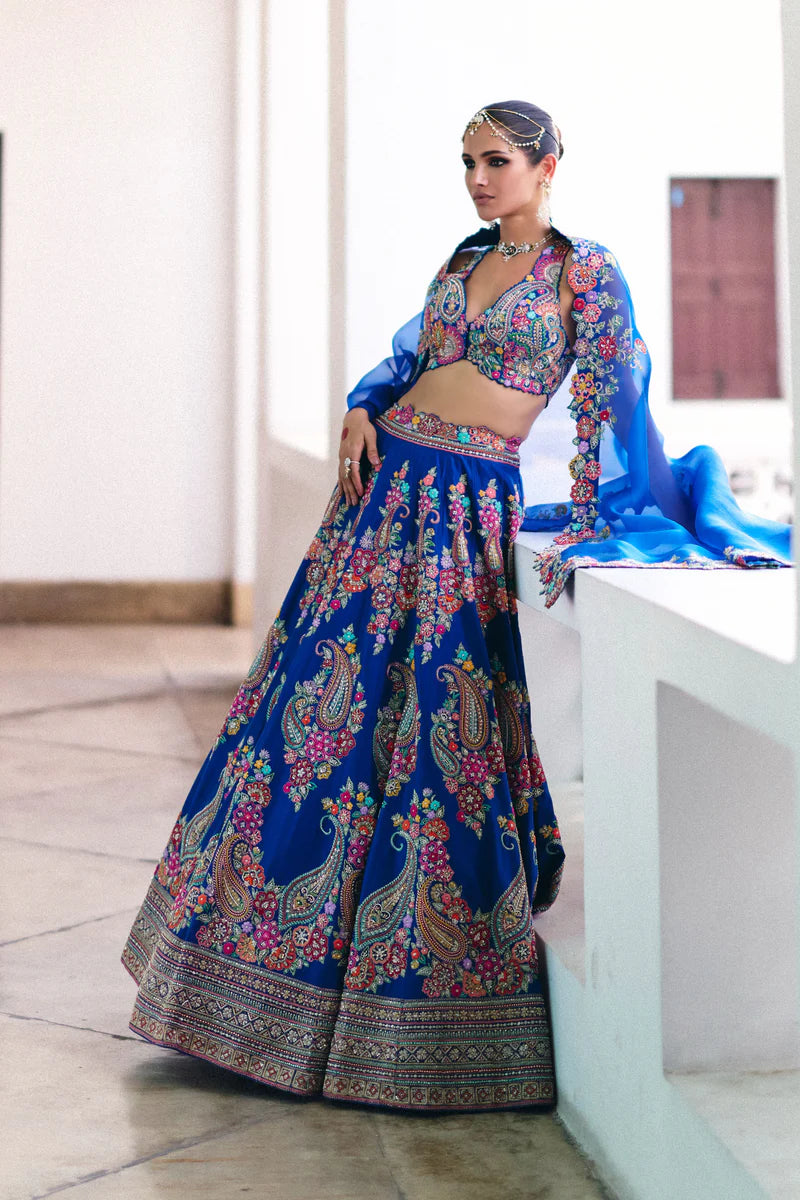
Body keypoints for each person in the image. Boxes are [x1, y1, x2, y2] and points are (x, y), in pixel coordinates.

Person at [122, 102, 791, 1114]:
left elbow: (622, 407)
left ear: (547, 165)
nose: (478, 179)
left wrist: (637, 509)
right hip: (380, 496)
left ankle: (401, 1025)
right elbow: (407, 361)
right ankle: (234, 990)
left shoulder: (585, 274)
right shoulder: (462, 258)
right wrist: (362, 404)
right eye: (468, 161)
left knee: (438, 741)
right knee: (310, 730)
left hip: (466, 509)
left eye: (497, 161)